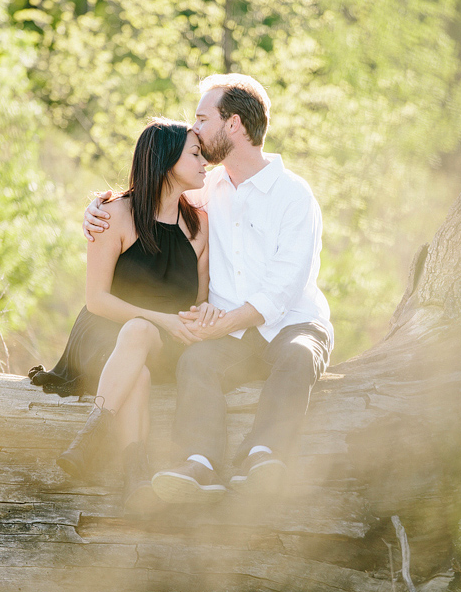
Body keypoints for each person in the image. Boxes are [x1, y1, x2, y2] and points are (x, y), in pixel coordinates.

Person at [85, 74, 333, 503]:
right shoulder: (208, 189)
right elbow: (154, 197)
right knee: (197, 363)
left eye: (202, 118)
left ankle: (263, 458)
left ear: (233, 124)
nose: (194, 129)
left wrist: (221, 324)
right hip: (229, 333)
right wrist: (96, 209)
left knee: (297, 356)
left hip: (293, 322)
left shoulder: (294, 195)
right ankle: (199, 465)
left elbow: (283, 288)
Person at [32, 118, 219, 512]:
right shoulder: (114, 214)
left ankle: (92, 438)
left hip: (167, 340)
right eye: (196, 155)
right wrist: (160, 320)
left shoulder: (198, 225)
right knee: (138, 360)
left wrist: (194, 317)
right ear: (167, 160)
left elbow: (197, 301)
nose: (206, 164)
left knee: (140, 336)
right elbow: (97, 300)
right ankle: (137, 479)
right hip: (104, 331)